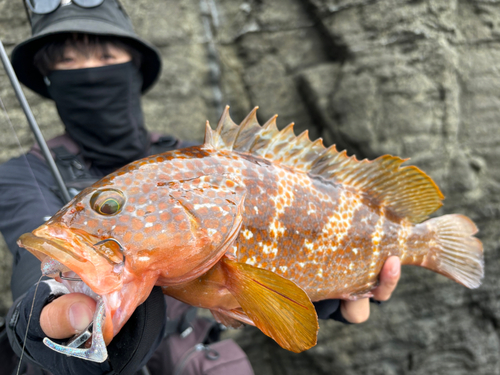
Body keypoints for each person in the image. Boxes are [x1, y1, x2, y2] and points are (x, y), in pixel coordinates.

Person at [0, 1, 401, 374]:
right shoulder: (22, 175)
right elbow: (36, 276)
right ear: (48, 80)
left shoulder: (190, 162)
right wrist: (43, 321)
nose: (88, 71)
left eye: (105, 56)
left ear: (135, 67)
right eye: (67, 61)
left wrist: (330, 290)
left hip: (204, 357)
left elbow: (293, 248)